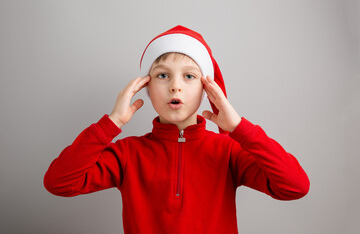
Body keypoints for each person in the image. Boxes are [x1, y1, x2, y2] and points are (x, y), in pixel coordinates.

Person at [43, 25, 310, 234]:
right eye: (162, 75)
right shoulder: (127, 154)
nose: (175, 86)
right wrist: (111, 123)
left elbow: (295, 186)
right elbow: (59, 182)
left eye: (189, 76)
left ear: (207, 89)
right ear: (146, 87)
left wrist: (241, 129)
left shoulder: (228, 152)